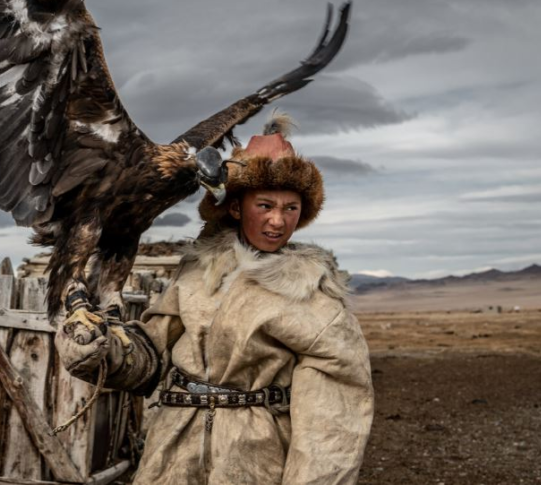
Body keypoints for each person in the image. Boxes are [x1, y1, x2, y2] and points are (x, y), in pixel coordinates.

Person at [56, 115, 374, 484]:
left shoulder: (313, 299)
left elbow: (332, 425)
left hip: (252, 462)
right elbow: (149, 356)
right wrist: (102, 350)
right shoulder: (196, 275)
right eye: (265, 205)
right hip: (170, 458)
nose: (278, 220)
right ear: (236, 208)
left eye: (291, 208)